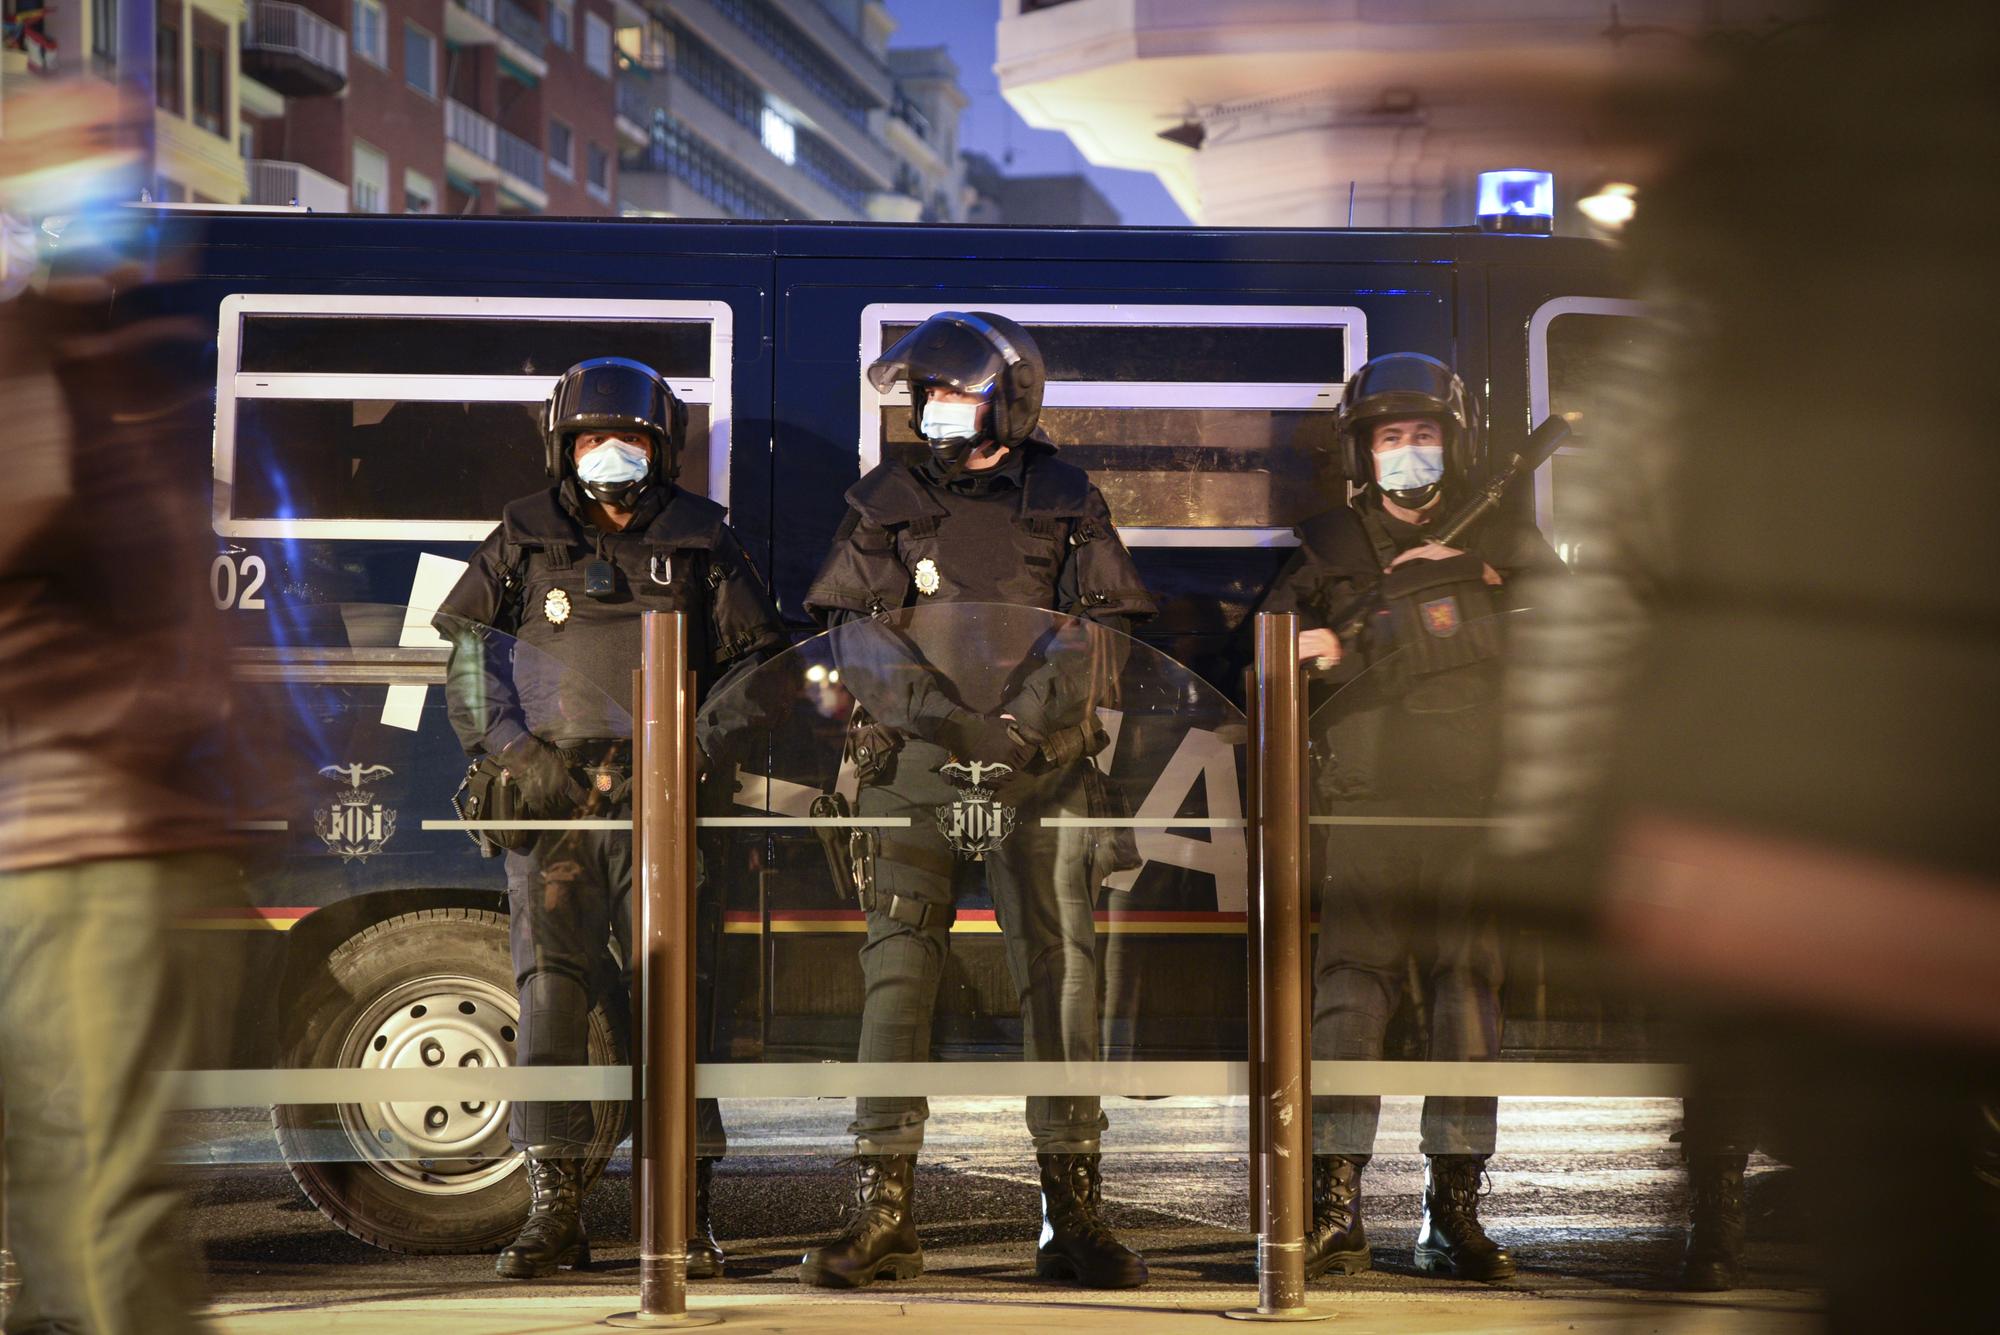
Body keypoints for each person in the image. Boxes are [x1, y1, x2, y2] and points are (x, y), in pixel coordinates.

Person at [796, 311, 1157, 1290]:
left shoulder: (1068, 497)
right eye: (928, 395)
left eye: (954, 392)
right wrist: (952, 725)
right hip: (912, 770)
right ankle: (881, 1214)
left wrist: (1019, 731)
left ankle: (1069, 1216)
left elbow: (1097, 633)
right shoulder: (883, 499)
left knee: (1060, 980)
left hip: (1044, 774)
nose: (936, 411)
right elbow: (855, 636)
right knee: (896, 977)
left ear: (1010, 398)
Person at [433, 356, 785, 1281]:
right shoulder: (522, 534)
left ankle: (683, 1209)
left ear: (659, 449)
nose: (609, 455)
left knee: (675, 1001)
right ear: (565, 447)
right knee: (550, 994)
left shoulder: (703, 538)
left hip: (667, 801)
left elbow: (762, 664)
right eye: (593, 439)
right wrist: (514, 753)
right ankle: (557, 1207)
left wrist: (697, 746)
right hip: (552, 807)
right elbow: (469, 655)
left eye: (626, 440)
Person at [1, 98, 247, 1333]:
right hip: (78, 831)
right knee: (103, 1189)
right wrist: (150, 714)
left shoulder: (113, 369)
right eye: (95, 167)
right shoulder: (32, 369)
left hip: (110, 829)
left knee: (71, 1182)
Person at [1256, 351, 1560, 1283]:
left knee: (1469, 992)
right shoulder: (1329, 549)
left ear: (1453, 444)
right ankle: (1335, 1197)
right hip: (1371, 803)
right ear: (1364, 450)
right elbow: (1264, 664)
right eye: (1392, 437)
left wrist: (1480, 576)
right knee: (1352, 989)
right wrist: (1308, 646)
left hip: (1476, 804)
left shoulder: (1508, 539)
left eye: (1423, 435)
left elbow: (1574, 633)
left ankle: (1452, 1207)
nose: (1408, 452)